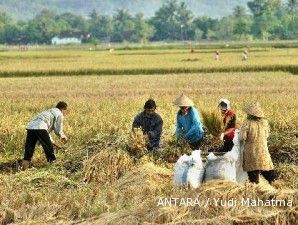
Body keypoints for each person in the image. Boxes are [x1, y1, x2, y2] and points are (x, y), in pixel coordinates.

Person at [21, 101, 68, 170]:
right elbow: (58, 130)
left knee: (29, 149)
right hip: (40, 127)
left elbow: (46, 134)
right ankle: (53, 167)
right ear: (63, 108)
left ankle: (24, 168)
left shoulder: (48, 111)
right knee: (49, 148)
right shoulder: (59, 113)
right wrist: (63, 136)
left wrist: (53, 143)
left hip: (31, 127)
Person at [239, 102, 276, 184]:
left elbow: (242, 137)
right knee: (271, 177)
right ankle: (279, 192)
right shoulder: (265, 123)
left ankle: (256, 193)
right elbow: (267, 135)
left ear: (249, 114)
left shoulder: (247, 123)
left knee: (254, 181)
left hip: (251, 153)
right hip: (263, 152)